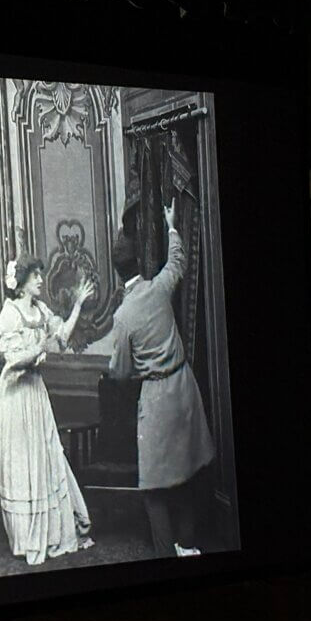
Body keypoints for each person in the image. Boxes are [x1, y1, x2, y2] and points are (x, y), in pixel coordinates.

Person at [109, 197, 215, 559]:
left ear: (117, 273)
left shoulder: (123, 317)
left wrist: (137, 368)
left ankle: (167, 556)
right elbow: (177, 262)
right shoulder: (159, 287)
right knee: (186, 470)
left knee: (154, 486)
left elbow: (120, 373)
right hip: (185, 387)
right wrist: (171, 226)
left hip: (156, 399)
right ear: (138, 264)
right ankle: (188, 545)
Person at [0, 256, 96, 565]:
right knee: (23, 461)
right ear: (21, 282)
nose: (40, 280)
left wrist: (77, 305)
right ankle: (27, 537)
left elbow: (61, 338)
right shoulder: (10, 313)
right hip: (14, 395)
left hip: (35, 391)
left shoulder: (40, 310)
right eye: (35, 275)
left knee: (45, 455)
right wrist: (38, 348)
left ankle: (51, 532)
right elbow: (11, 360)